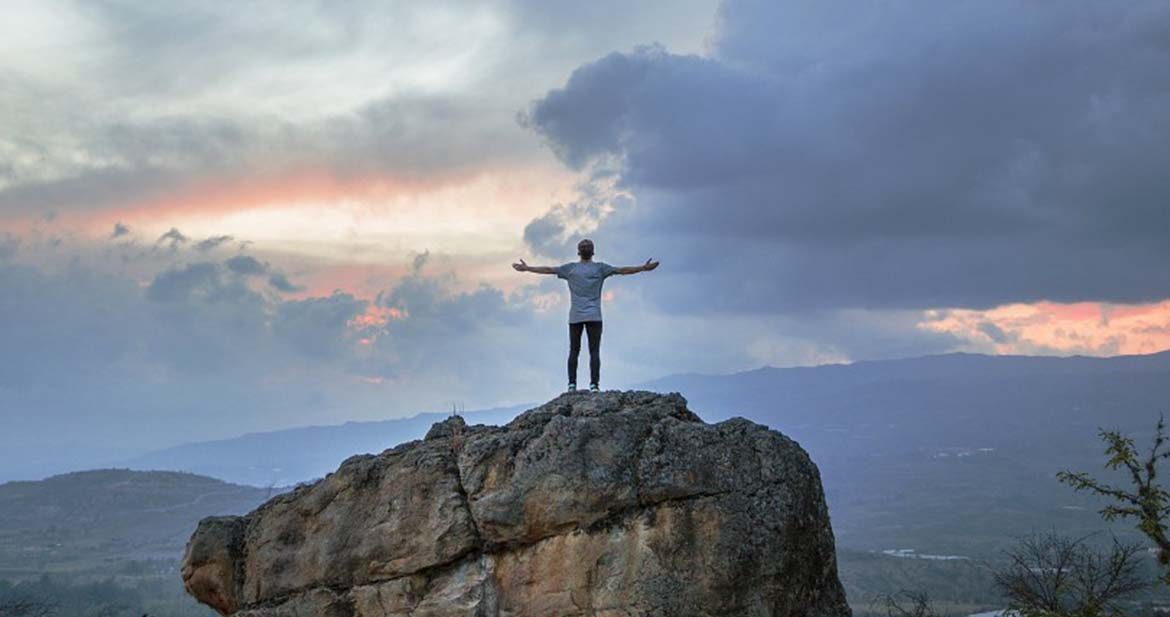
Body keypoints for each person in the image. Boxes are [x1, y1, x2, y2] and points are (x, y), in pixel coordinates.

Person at [513, 239, 659, 393]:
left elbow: (549, 269)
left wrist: (528, 268)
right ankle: (594, 385)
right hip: (594, 316)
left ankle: (572, 385)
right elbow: (622, 270)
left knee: (574, 350)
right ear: (592, 252)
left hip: (576, 316)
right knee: (594, 351)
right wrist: (643, 268)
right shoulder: (600, 268)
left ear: (578, 252)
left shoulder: (571, 269)